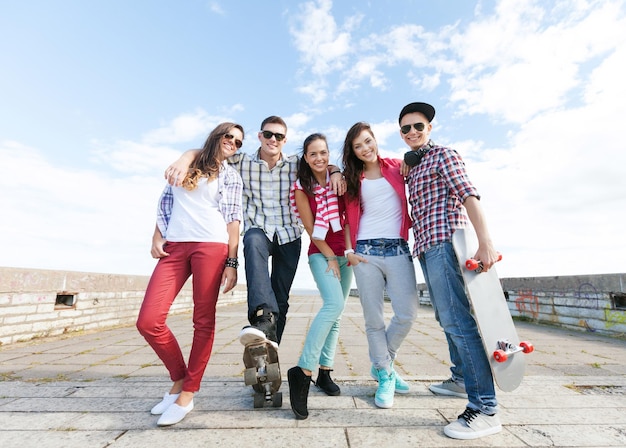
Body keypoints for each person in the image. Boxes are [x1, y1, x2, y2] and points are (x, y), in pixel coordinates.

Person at [165, 116, 343, 346]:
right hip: (258, 229)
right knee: (252, 241)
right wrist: (184, 158)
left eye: (278, 136)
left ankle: (271, 350)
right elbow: (209, 153)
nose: (273, 140)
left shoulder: (295, 164)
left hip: (289, 234)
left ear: (284, 140)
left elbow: (319, 162)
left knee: (281, 299)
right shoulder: (242, 162)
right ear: (260, 136)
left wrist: (336, 170)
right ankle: (261, 317)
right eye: (268, 134)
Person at [399, 101, 501, 440]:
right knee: (446, 318)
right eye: (406, 128)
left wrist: (485, 242)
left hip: (445, 243)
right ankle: (460, 379)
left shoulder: (444, 155)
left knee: (459, 321)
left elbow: (469, 195)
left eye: (418, 126)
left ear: (430, 128)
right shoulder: (412, 165)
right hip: (426, 248)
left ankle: (485, 408)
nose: (412, 132)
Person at [136, 122, 244, 426]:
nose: (233, 144)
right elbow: (165, 203)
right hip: (176, 246)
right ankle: (180, 377)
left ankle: (188, 392)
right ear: (216, 136)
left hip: (211, 246)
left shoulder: (231, 176)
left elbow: (234, 220)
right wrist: (157, 236)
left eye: (238, 143)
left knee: (203, 321)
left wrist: (232, 263)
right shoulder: (186, 164)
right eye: (229, 137)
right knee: (148, 321)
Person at [341, 122, 419, 409]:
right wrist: (349, 250)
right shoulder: (351, 178)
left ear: (375, 140)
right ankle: (385, 375)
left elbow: (418, 158)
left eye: (367, 141)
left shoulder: (397, 167)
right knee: (373, 320)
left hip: (398, 249)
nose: (365, 149)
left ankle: (381, 362)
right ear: (353, 152)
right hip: (364, 253)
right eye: (358, 146)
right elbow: (348, 219)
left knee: (407, 314)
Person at [286, 133, 353, 420]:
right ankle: (302, 370)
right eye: (313, 154)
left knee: (337, 315)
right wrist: (330, 257)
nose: (319, 158)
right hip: (320, 253)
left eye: (323, 153)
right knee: (333, 306)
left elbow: (349, 218)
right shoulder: (301, 187)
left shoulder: (339, 179)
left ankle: (325, 372)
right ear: (305, 157)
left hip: (345, 253)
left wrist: (348, 251)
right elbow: (312, 229)